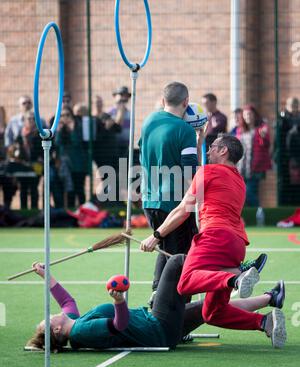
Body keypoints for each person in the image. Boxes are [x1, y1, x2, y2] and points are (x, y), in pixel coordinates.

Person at [141, 134, 286, 348]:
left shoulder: (207, 172)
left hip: (214, 237)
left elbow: (183, 210)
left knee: (186, 282)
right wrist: (199, 139)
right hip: (236, 245)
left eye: (212, 147)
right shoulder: (238, 179)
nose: (208, 151)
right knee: (212, 313)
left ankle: (235, 278)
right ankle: (265, 321)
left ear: (223, 150)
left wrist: (156, 235)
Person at [27, 255, 285, 352]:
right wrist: (118, 302)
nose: (51, 315)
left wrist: (43, 274)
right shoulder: (82, 331)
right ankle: (235, 274)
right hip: (158, 328)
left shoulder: (75, 321)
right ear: (56, 331)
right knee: (175, 264)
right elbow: (119, 324)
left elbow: (67, 300)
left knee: (209, 309)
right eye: (48, 320)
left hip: (160, 329)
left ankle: (269, 301)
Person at [138, 82, 200, 305]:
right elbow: (191, 170)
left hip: (149, 199)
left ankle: (157, 294)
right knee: (181, 257)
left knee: (165, 249)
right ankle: (172, 311)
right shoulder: (184, 130)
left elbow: (141, 153)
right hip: (174, 203)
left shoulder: (149, 121)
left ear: (163, 100)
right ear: (186, 102)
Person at [236, 104, 272, 207]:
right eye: (246, 115)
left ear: (255, 116)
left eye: (250, 114)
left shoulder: (261, 129)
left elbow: (267, 144)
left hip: (256, 167)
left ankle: (260, 211)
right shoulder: (240, 130)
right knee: (244, 192)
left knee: (248, 192)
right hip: (242, 166)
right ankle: (254, 215)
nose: (248, 117)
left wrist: (264, 136)